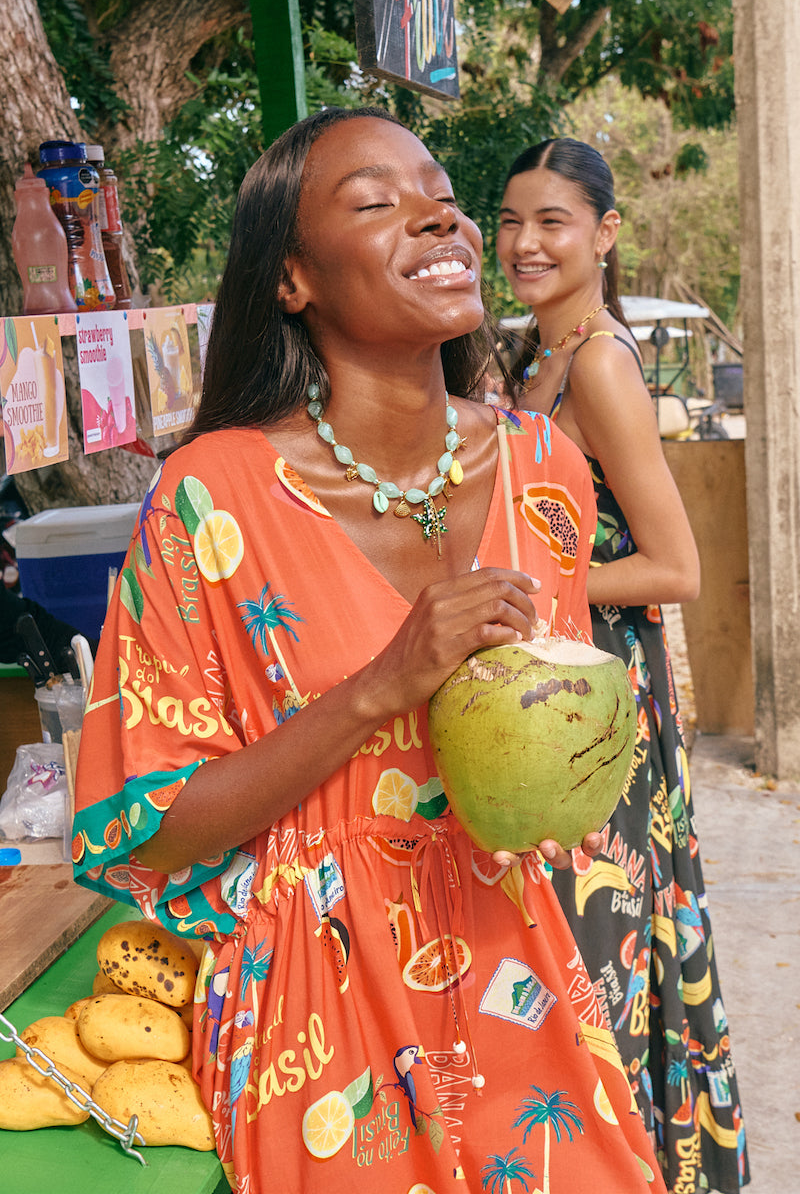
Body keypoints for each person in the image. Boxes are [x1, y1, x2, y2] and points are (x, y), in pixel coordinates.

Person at [73, 108, 666, 1194]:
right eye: (375, 202)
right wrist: (382, 686)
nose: (438, 215)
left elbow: (553, 780)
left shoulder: (546, 471)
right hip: (317, 1011)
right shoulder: (212, 497)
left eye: (439, 194)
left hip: (521, 977)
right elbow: (149, 828)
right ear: (292, 279)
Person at [496, 136, 749, 1193]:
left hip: (600, 695)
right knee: (567, 955)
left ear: (603, 235)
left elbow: (674, 568)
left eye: (550, 222)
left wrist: (521, 585)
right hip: (548, 693)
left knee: (603, 956)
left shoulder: (596, 361)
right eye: (507, 222)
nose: (522, 244)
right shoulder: (529, 350)